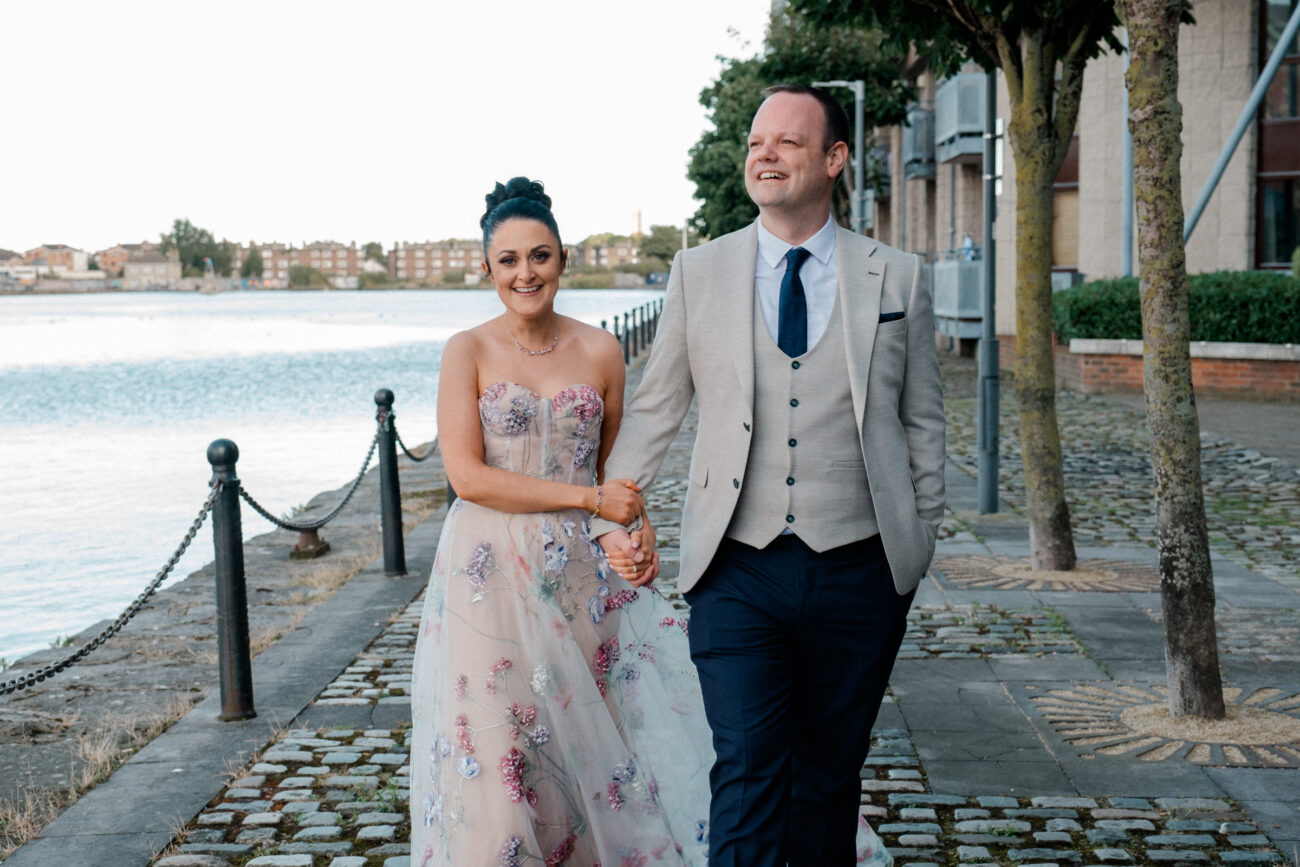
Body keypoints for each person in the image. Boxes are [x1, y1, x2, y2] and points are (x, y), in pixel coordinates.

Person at [594, 84, 946, 867]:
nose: (765, 153)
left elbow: (923, 422)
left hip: (863, 567)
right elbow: (655, 410)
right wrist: (614, 511)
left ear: (834, 159)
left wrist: (915, 546)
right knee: (748, 775)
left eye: (787, 141)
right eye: (757, 142)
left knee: (827, 780)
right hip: (738, 568)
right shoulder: (700, 269)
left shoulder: (899, 276)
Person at [409, 177, 718, 866]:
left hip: (578, 571)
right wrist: (587, 503)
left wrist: (636, 536)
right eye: (509, 260)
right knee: (502, 738)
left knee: (588, 727)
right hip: (488, 569)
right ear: (488, 270)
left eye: (540, 256)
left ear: (563, 259)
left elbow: (615, 472)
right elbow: (467, 476)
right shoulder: (469, 350)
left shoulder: (601, 351)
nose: (527, 273)